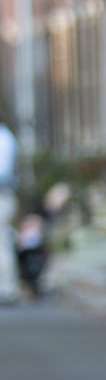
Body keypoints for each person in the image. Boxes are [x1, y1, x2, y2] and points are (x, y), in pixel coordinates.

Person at [0, 114, 19, 306]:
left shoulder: (3, 139)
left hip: (2, 196)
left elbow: (2, 173)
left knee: (1, 243)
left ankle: (7, 288)